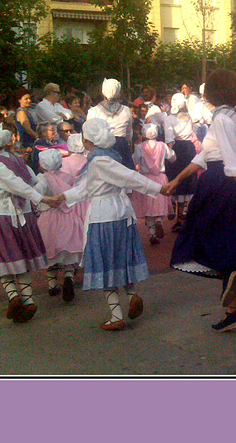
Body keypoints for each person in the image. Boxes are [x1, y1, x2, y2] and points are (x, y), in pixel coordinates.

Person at [168, 69, 236, 333]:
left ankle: (229, 277)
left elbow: (228, 159)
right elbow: (207, 154)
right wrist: (178, 180)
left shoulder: (223, 118)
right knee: (233, 239)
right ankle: (231, 311)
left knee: (201, 233)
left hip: (223, 181)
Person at [57, 119, 170, 330]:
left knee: (106, 264)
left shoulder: (99, 161)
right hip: (121, 213)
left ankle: (116, 315)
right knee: (122, 259)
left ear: (86, 139)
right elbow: (93, 186)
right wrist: (63, 196)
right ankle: (132, 294)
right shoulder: (108, 158)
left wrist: (157, 189)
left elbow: (125, 179)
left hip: (103, 216)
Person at [0, 126, 59, 323]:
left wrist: (40, 199)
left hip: (2, 215)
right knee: (21, 259)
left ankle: (13, 296)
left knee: (2, 258)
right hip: (24, 213)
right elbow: (31, 181)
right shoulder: (15, 159)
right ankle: (28, 300)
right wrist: (38, 197)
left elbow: (16, 185)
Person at [35, 149, 85, 303]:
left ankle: (52, 285)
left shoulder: (42, 179)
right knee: (69, 254)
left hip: (49, 219)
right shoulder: (68, 177)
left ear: (41, 165)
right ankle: (69, 276)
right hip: (68, 217)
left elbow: (37, 195)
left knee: (51, 254)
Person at [131, 123, 176, 245]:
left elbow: (134, 160)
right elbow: (172, 157)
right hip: (161, 178)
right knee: (160, 204)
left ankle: (152, 233)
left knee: (148, 207)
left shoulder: (140, 147)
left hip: (146, 179)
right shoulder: (162, 146)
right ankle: (159, 222)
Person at [165, 92, 199, 232]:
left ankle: (175, 207)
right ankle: (183, 214)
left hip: (177, 148)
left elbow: (169, 139)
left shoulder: (170, 119)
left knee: (177, 179)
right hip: (189, 147)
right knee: (188, 179)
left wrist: (170, 155)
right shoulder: (188, 117)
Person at [86, 78, 135, 170]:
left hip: (101, 148)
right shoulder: (126, 110)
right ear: (118, 93)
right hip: (122, 146)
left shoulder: (93, 111)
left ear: (103, 92)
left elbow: (90, 135)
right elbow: (129, 134)